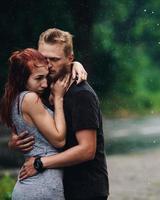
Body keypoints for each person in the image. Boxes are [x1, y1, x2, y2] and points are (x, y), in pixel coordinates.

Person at [14, 28, 109, 200]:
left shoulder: (81, 94)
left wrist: (40, 163)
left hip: (85, 189)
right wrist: (15, 140)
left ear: (70, 58)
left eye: (55, 59)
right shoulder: (42, 87)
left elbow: (87, 150)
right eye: (44, 58)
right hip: (57, 187)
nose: (48, 64)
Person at [0, 48, 70, 199]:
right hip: (41, 187)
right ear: (21, 79)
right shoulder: (30, 99)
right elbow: (59, 140)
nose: (45, 84)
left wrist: (75, 64)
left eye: (46, 77)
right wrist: (58, 99)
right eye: (38, 79)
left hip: (32, 186)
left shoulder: (14, 99)